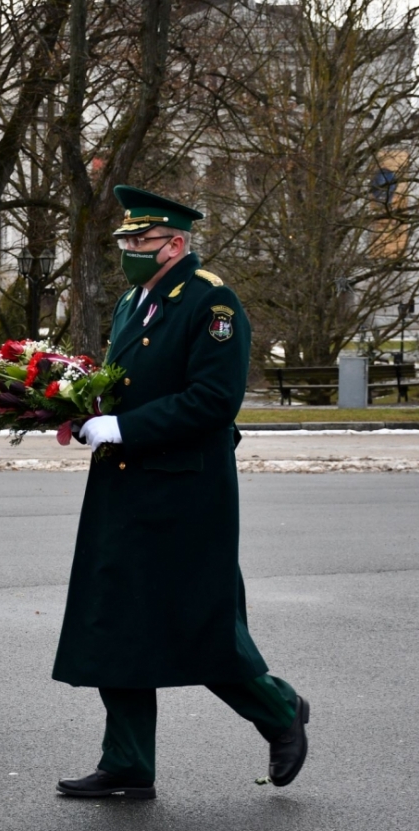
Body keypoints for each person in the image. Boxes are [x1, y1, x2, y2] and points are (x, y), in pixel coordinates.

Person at [53, 186, 309, 800]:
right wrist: (77, 406)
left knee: (194, 623)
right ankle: (128, 762)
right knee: (118, 619)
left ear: (176, 243)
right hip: (125, 483)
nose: (129, 251)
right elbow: (127, 382)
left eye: (140, 241)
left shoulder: (210, 301)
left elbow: (215, 401)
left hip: (185, 492)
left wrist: (126, 427)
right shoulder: (130, 304)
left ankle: (279, 713)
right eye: (125, 242)